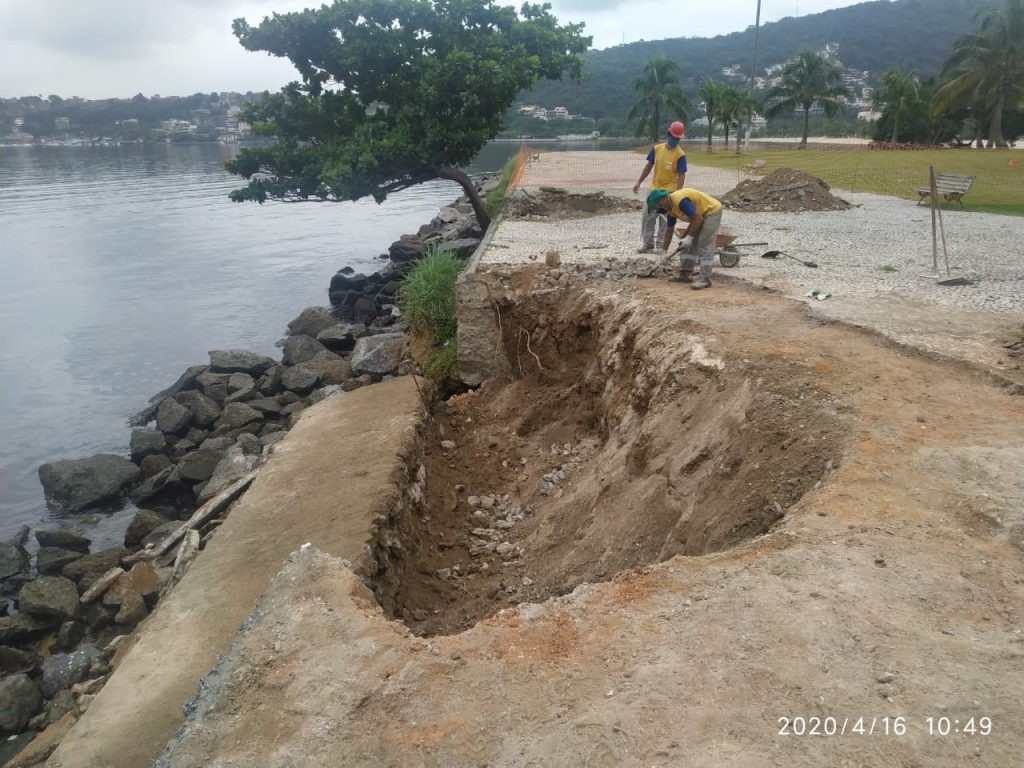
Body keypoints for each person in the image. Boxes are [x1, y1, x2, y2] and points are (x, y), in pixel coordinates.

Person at [645, 187, 723, 290]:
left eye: (656, 207)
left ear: (662, 201)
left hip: (711, 211)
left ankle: (705, 279)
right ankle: (686, 273)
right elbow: (669, 229)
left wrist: (689, 238)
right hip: (699, 215)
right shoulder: (670, 208)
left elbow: (698, 218)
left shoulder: (680, 201)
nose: (658, 210)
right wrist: (664, 251)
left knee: (704, 244)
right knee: (684, 243)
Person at [632, 121, 687, 253]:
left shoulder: (680, 155)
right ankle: (647, 244)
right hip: (654, 189)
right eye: (674, 138)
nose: (676, 141)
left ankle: (661, 245)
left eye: (678, 139)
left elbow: (681, 175)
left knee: (665, 220)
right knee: (648, 216)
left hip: (670, 191)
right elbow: (649, 166)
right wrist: (639, 181)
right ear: (668, 135)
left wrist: (678, 193)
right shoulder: (657, 149)